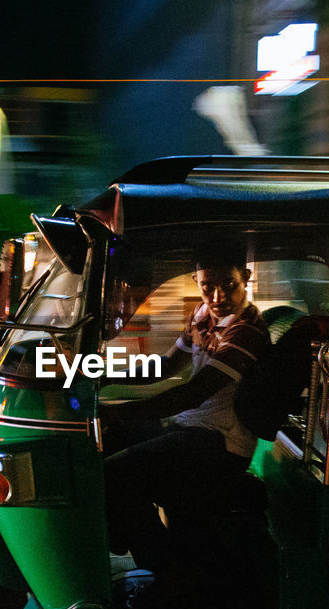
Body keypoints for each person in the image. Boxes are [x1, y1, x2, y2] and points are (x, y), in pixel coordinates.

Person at [99, 245, 270, 576]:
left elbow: (191, 393)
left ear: (246, 279)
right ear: (196, 281)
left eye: (229, 285)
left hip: (220, 443)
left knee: (115, 476)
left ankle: (167, 573)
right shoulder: (202, 315)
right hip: (189, 426)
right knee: (108, 439)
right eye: (208, 286)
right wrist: (103, 375)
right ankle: (128, 538)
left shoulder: (246, 331)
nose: (218, 296)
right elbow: (165, 366)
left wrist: (119, 411)